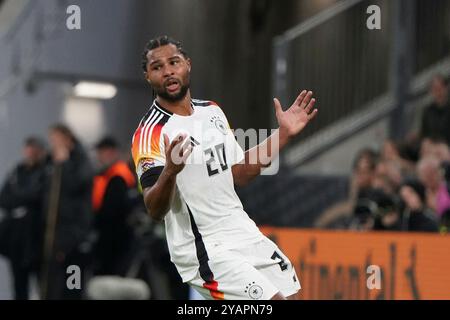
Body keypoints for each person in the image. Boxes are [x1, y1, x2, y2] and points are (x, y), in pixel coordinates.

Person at [131, 36, 318, 300]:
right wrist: (170, 171)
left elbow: (239, 174)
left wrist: (283, 135)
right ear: (148, 77)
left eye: (174, 62)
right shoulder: (149, 132)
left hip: (241, 231)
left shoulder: (212, 111)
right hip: (203, 247)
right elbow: (154, 208)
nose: (168, 71)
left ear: (188, 65)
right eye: (157, 67)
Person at [40, 124, 93, 299]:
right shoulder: (51, 161)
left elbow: (77, 185)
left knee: (73, 284)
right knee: (53, 285)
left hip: (74, 237)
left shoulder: (80, 159)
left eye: (55, 140)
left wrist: (65, 164)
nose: (53, 144)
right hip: (54, 235)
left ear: (67, 138)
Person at [0, 137, 47, 299]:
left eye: (34, 150)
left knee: (43, 283)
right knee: (19, 283)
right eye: (28, 149)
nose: (30, 153)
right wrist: (23, 198)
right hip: (16, 239)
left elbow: (38, 197)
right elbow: (4, 199)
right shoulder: (16, 171)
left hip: (36, 238)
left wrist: (18, 195)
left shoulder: (46, 172)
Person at [92, 137, 136, 276]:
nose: (99, 157)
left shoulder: (119, 176)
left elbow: (113, 211)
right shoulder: (106, 174)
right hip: (107, 235)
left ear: (112, 152)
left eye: (102, 152)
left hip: (115, 238)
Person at [420, 75, 450, 145]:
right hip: (432, 148)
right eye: (434, 89)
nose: (438, 92)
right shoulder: (427, 111)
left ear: (446, 88)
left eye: (440, 88)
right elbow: (424, 134)